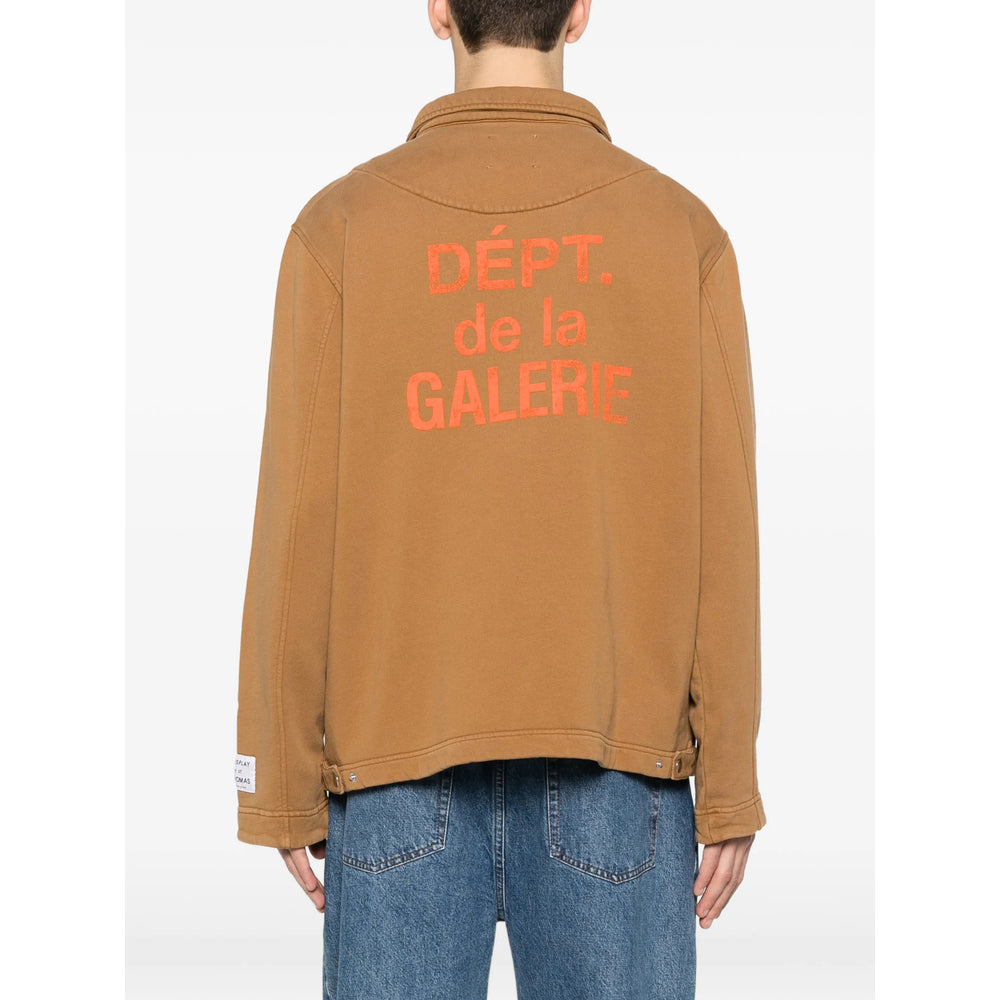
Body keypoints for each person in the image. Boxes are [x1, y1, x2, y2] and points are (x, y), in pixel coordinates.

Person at [235, 1, 766, 996]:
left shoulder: (342, 229)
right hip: (619, 770)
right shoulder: (676, 231)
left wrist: (274, 775)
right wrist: (729, 775)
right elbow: (722, 527)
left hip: (394, 766)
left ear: (440, 13)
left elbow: (296, 521)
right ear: (580, 13)